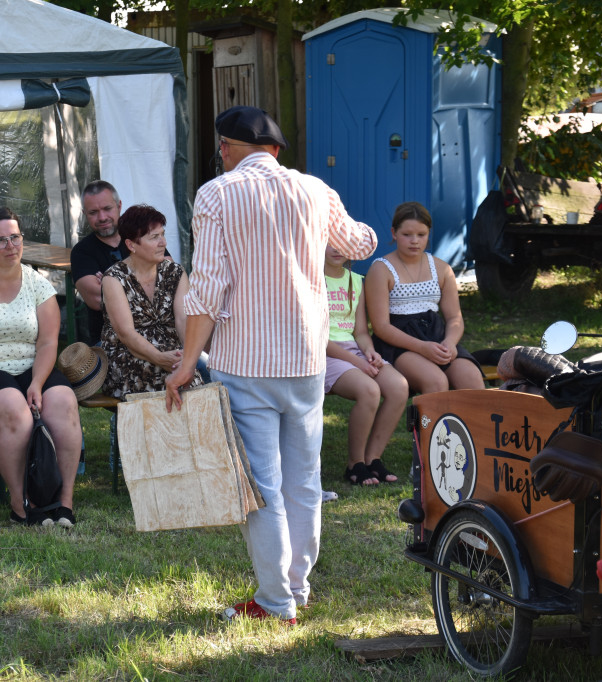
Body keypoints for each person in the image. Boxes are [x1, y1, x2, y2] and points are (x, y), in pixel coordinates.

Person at [165, 106, 377, 624]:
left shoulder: (216, 193)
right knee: (303, 480)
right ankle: (296, 590)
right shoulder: (314, 189)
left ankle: (276, 601)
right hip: (306, 355)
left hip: (247, 360)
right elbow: (361, 243)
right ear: (277, 150)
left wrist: (188, 362)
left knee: (261, 484)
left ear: (226, 148)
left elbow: (208, 286)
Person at [0, 207, 82, 527]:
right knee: (14, 411)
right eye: (1, 240)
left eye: (16, 237)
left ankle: (63, 502)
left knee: (64, 403)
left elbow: (48, 343)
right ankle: (22, 505)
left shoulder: (38, 284)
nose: (11, 246)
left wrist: (37, 383)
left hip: (30, 365)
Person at [365, 201, 484, 395]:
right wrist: (421, 347)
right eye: (407, 235)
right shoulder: (381, 269)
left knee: (471, 378)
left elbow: (454, 317)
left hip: (435, 336)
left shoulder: (442, 269)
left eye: (421, 235)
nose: (415, 241)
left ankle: (473, 426)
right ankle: (430, 426)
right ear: (394, 233)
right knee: (436, 381)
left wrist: (450, 343)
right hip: (398, 342)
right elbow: (381, 326)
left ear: (428, 234)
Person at [324, 245, 408, 486]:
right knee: (369, 390)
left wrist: (369, 353)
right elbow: (318, 338)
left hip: (353, 351)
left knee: (398, 386)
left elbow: (360, 331)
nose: (337, 249)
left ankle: (373, 459)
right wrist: (358, 363)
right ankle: (355, 464)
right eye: (331, 242)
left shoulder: (356, 281)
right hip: (324, 353)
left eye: (343, 243)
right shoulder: (312, 279)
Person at [99, 204, 202, 398]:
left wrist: (187, 358)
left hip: (172, 355)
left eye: (162, 235)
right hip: (130, 357)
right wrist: (159, 358)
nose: (163, 242)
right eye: (154, 237)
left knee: (189, 377)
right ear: (131, 245)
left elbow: (183, 321)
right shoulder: (114, 278)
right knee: (158, 377)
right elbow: (126, 334)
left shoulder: (175, 272)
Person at [71, 181, 125, 346]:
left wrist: (111, 284)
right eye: (93, 212)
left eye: (107, 209)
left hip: (159, 333)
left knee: (200, 366)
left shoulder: (141, 237)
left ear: (119, 206)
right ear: (84, 213)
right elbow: (96, 299)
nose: (102, 218)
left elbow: (170, 281)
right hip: (110, 343)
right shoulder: (82, 252)